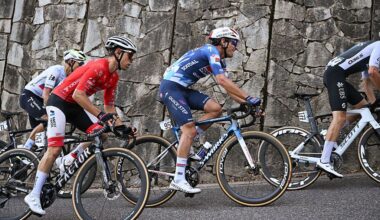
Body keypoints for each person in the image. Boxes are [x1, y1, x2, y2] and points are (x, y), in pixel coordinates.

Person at [24, 36, 137, 215]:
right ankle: (34, 194)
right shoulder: (99, 67)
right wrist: (100, 115)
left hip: (75, 106)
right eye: (130, 56)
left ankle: (69, 159)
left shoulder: (113, 77)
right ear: (118, 52)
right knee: (54, 149)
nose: (131, 61)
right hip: (59, 102)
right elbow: (78, 94)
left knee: (101, 134)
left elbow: (109, 107)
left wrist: (121, 126)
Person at [159, 27, 261, 194]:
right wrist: (249, 97)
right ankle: (178, 179)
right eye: (234, 43)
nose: (235, 47)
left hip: (182, 89)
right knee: (189, 130)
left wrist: (248, 104)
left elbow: (229, 89)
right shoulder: (211, 51)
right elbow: (221, 80)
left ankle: (188, 140)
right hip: (170, 88)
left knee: (215, 109)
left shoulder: (219, 60)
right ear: (223, 41)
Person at [320, 41, 380, 178]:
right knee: (339, 117)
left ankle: (327, 135)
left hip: (336, 74)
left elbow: (367, 82)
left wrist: (373, 103)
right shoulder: (379, 46)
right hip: (335, 75)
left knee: (365, 110)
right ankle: (324, 160)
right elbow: (373, 72)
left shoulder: (373, 49)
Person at [19, 49, 86, 150]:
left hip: (39, 101)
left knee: (40, 143)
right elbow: (45, 94)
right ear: (71, 62)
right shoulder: (56, 70)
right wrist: (52, 113)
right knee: (50, 120)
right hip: (29, 96)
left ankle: (31, 156)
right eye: (79, 64)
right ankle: (25, 150)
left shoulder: (70, 78)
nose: (81, 67)